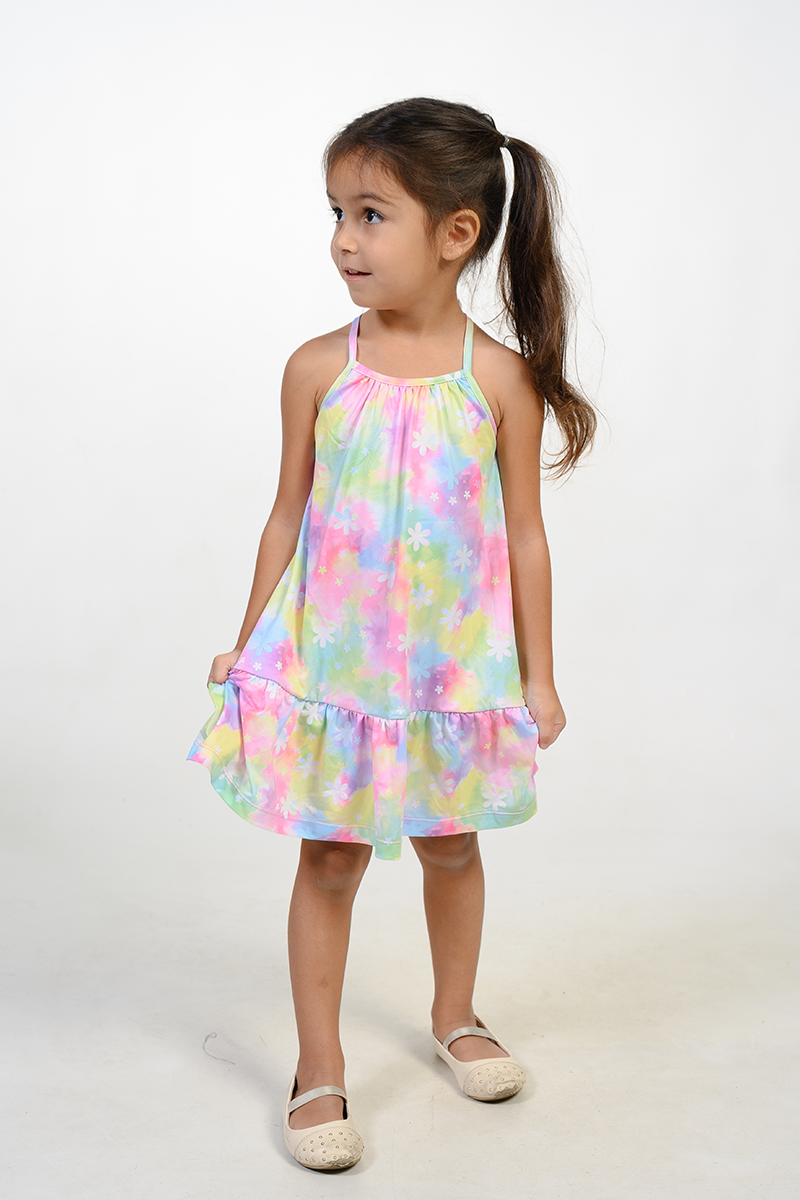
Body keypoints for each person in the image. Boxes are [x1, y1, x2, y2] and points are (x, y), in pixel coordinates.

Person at [187, 96, 596, 1171]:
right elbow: (286, 515)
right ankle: (316, 1065)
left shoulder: (497, 380)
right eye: (335, 213)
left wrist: (540, 676)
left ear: (455, 233)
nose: (342, 240)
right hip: (335, 669)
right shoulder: (318, 369)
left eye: (370, 215)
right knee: (328, 859)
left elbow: (524, 536)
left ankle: (456, 1015)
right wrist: (247, 641)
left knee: (450, 845)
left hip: (449, 678)